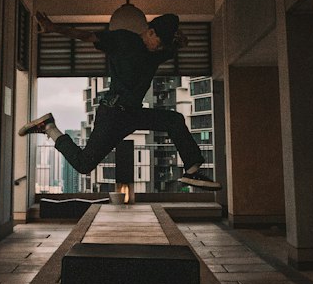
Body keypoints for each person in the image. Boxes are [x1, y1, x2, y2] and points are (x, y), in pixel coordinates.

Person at [19, 11, 220, 189]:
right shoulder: (123, 40)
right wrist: (54, 28)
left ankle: (192, 170)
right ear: (150, 32)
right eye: (158, 43)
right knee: (84, 165)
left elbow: (181, 43)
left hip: (133, 113)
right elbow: (87, 35)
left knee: (174, 119)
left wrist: (179, 37)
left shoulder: (158, 52)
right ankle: (49, 127)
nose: (159, 49)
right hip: (113, 114)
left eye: (163, 47)